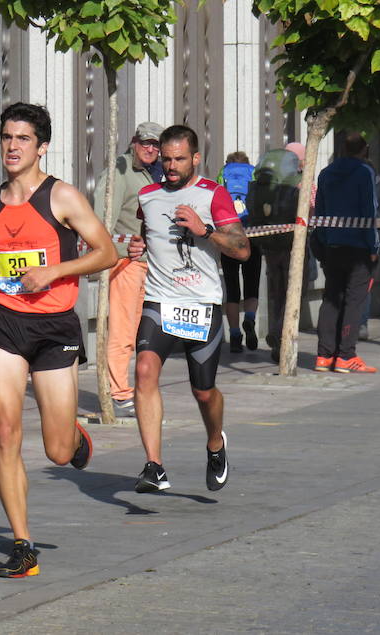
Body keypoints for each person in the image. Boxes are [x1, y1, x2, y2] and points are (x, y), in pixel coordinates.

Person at [0, 102, 117, 578]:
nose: (12, 146)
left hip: (55, 326)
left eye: (23, 139)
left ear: (42, 147)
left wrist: (55, 271)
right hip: (5, 323)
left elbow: (107, 252)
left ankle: (73, 437)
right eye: (7, 137)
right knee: (4, 431)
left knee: (57, 452)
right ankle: (22, 544)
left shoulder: (62, 197)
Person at [127, 125, 250, 493]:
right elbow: (148, 235)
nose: (171, 166)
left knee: (204, 391)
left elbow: (241, 249)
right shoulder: (148, 195)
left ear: (195, 158)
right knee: (145, 369)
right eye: (166, 159)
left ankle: (215, 443)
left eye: (179, 159)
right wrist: (139, 248)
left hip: (201, 303)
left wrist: (204, 229)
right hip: (160, 300)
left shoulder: (214, 195)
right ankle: (154, 466)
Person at [92, 121, 164, 417]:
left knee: (135, 332)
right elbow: (100, 219)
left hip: (145, 264)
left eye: (156, 145)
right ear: (134, 141)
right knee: (121, 332)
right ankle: (118, 393)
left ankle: (124, 389)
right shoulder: (120, 171)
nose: (150, 149)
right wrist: (115, 251)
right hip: (124, 264)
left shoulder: (150, 172)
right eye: (145, 142)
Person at [311, 132, 379, 373]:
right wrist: (374, 247)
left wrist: (322, 242)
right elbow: (369, 211)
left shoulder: (326, 173)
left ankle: (324, 355)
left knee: (331, 299)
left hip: (333, 245)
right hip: (359, 246)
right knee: (354, 300)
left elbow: (319, 212)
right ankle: (346, 356)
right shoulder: (365, 172)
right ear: (364, 149)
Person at [257, 141, 306, 363]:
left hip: (271, 245)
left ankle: (277, 334)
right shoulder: (299, 182)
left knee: (276, 293)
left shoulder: (270, 181)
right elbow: (310, 211)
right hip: (292, 247)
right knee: (291, 294)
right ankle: (280, 335)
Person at [217, 151, 261, 352]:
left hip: (228, 236)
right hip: (252, 234)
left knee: (232, 287)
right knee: (252, 284)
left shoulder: (222, 175)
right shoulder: (254, 174)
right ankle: (250, 319)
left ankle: (234, 334)